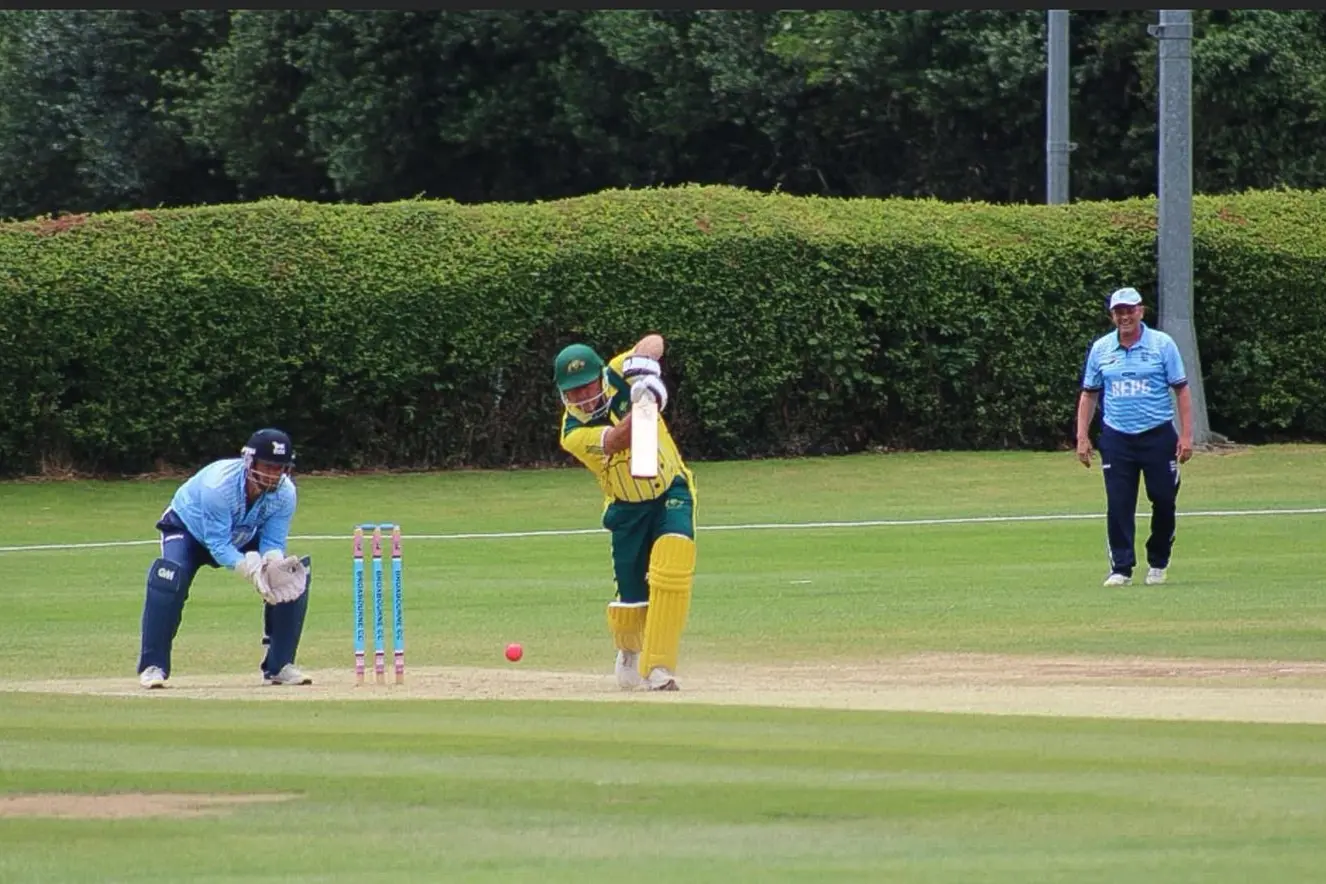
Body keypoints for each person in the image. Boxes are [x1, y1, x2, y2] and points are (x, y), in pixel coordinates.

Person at [553, 334, 697, 691]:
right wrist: (647, 402)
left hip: (670, 489)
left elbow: (653, 342)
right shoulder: (573, 433)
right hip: (626, 508)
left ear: (601, 376)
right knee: (633, 596)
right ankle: (629, 652)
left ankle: (659, 668)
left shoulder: (619, 372)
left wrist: (646, 372)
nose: (583, 399)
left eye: (587, 388)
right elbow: (617, 440)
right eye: (573, 394)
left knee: (674, 560)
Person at [137, 428, 313, 689]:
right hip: (189, 530)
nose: (273, 475)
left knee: (290, 575)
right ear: (250, 461)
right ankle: (154, 666)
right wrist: (251, 571)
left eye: (280, 468)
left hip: (243, 531)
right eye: (267, 466)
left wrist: (271, 566)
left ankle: (280, 665)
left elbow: (273, 542)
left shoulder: (285, 493)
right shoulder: (218, 486)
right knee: (170, 577)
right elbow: (217, 545)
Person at [1075, 287, 1194, 587]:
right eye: (1119, 311)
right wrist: (1082, 437)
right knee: (1119, 503)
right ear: (1112, 315)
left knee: (1164, 499)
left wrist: (1187, 436)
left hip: (1157, 435)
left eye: (1130, 310)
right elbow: (1089, 394)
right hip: (1117, 438)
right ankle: (1122, 567)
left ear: (1141, 311)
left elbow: (1181, 389)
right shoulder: (1101, 349)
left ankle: (1159, 560)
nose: (1125, 316)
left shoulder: (1162, 345)